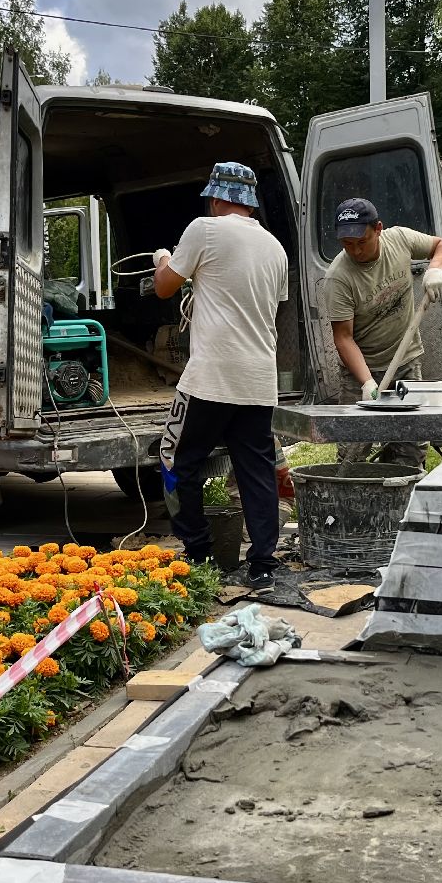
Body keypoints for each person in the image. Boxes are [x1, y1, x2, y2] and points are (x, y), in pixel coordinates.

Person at [152, 162, 288, 585]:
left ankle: (198, 556)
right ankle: (263, 565)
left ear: (215, 198)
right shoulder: (276, 248)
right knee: (256, 470)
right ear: (249, 203)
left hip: (211, 377)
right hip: (259, 379)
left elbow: (163, 286)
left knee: (176, 459)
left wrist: (164, 259)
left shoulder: (203, 230)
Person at [324, 197, 442, 469]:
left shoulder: (400, 239)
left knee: (410, 447)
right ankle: (352, 492)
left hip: (405, 362)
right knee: (353, 451)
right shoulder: (339, 277)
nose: (355, 251)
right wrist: (366, 382)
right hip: (361, 370)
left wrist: (435, 268)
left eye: (362, 242)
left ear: (378, 229)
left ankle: (400, 489)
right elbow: (343, 338)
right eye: (347, 244)